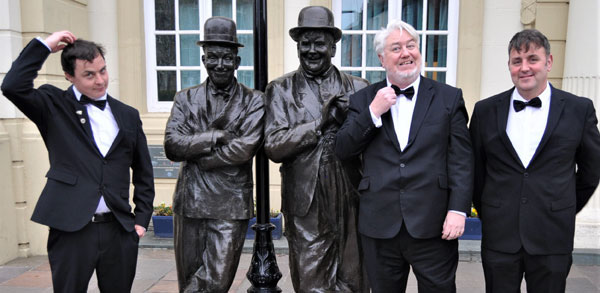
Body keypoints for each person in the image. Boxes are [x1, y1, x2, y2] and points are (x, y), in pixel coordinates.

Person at [0, 31, 155, 292]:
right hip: (71, 228)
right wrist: (44, 46)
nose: (100, 80)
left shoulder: (128, 115)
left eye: (103, 71)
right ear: (69, 76)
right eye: (89, 75)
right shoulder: (53, 105)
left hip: (118, 229)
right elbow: (12, 86)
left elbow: (143, 171)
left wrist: (140, 219)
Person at [335, 19, 473, 292]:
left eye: (411, 46)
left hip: (434, 225)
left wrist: (458, 210)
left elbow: (461, 159)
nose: (406, 53)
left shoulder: (449, 98)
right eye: (396, 48)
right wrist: (373, 112)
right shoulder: (364, 100)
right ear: (382, 59)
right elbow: (343, 149)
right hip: (379, 225)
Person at [469, 29, 600, 292]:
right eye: (517, 61)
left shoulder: (579, 109)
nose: (524, 68)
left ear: (548, 62)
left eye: (532, 59)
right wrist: (491, 210)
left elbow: (591, 169)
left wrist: (561, 205)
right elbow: (474, 169)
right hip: (499, 234)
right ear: (509, 65)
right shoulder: (485, 110)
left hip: (552, 234)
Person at [264, 6, 370, 292]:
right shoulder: (281, 89)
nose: (311, 50)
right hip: (306, 200)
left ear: (333, 47)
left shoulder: (359, 88)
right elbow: (273, 146)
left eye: (319, 43)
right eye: (305, 43)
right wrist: (319, 124)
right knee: (311, 281)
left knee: (355, 278)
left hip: (351, 195)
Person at [163, 16, 264, 292]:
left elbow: (244, 148)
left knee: (215, 280)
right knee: (189, 279)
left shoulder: (254, 100)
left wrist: (200, 156)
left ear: (237, 62)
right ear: (204, 59)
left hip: (230, 203)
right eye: (213, 57)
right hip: (191, 201)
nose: (220, 64)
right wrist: (213, 136)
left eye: (227, 58)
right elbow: (172, 144)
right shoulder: (185, 98)